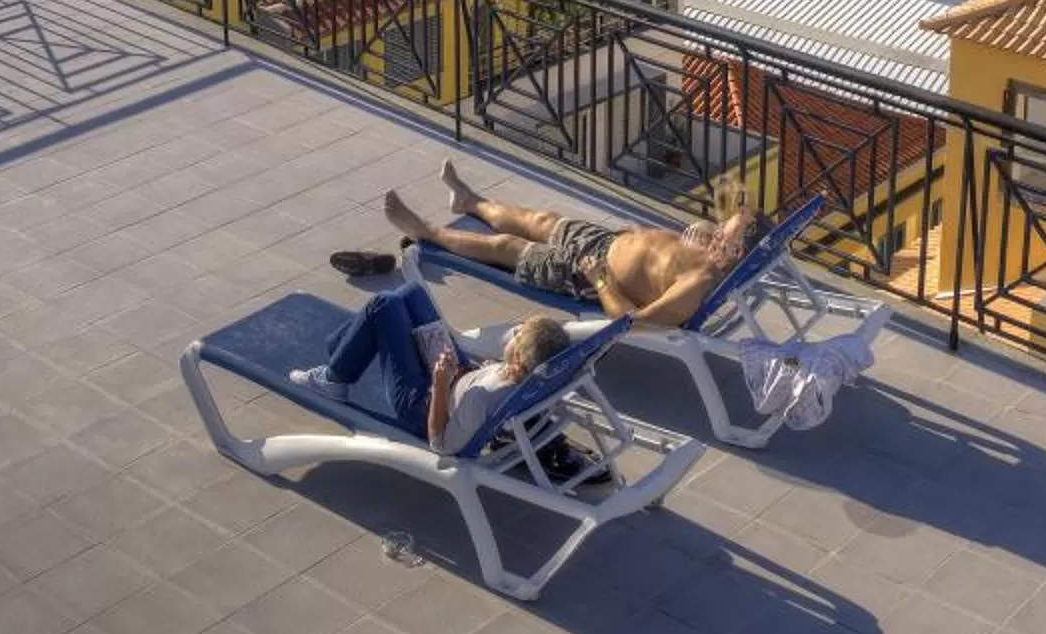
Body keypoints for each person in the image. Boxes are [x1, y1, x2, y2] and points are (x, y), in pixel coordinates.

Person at [366, 160, 759, 328]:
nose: (725, 225)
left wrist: (601, 279)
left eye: (731, 231)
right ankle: (470, 201)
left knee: (506, 246)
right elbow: (742, 210)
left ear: (737, 253)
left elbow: (633, 323)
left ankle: (425, 231)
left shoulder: (699, 282)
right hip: (609, 241)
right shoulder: (712, 251)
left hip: (587, 275)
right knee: (542, 220)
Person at [303, 283, 575, 457]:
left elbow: (442, 443)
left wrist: (440, 381)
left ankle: (334, 378)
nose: (514, 331)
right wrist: (458, 372)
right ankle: (343, 348)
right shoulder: (534, 373)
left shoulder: (481, 399)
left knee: (384, 304)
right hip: (457, 376)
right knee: (412, 293)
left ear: (517, 357)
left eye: (518, 333)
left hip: (420, 403)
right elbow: (488, 380)